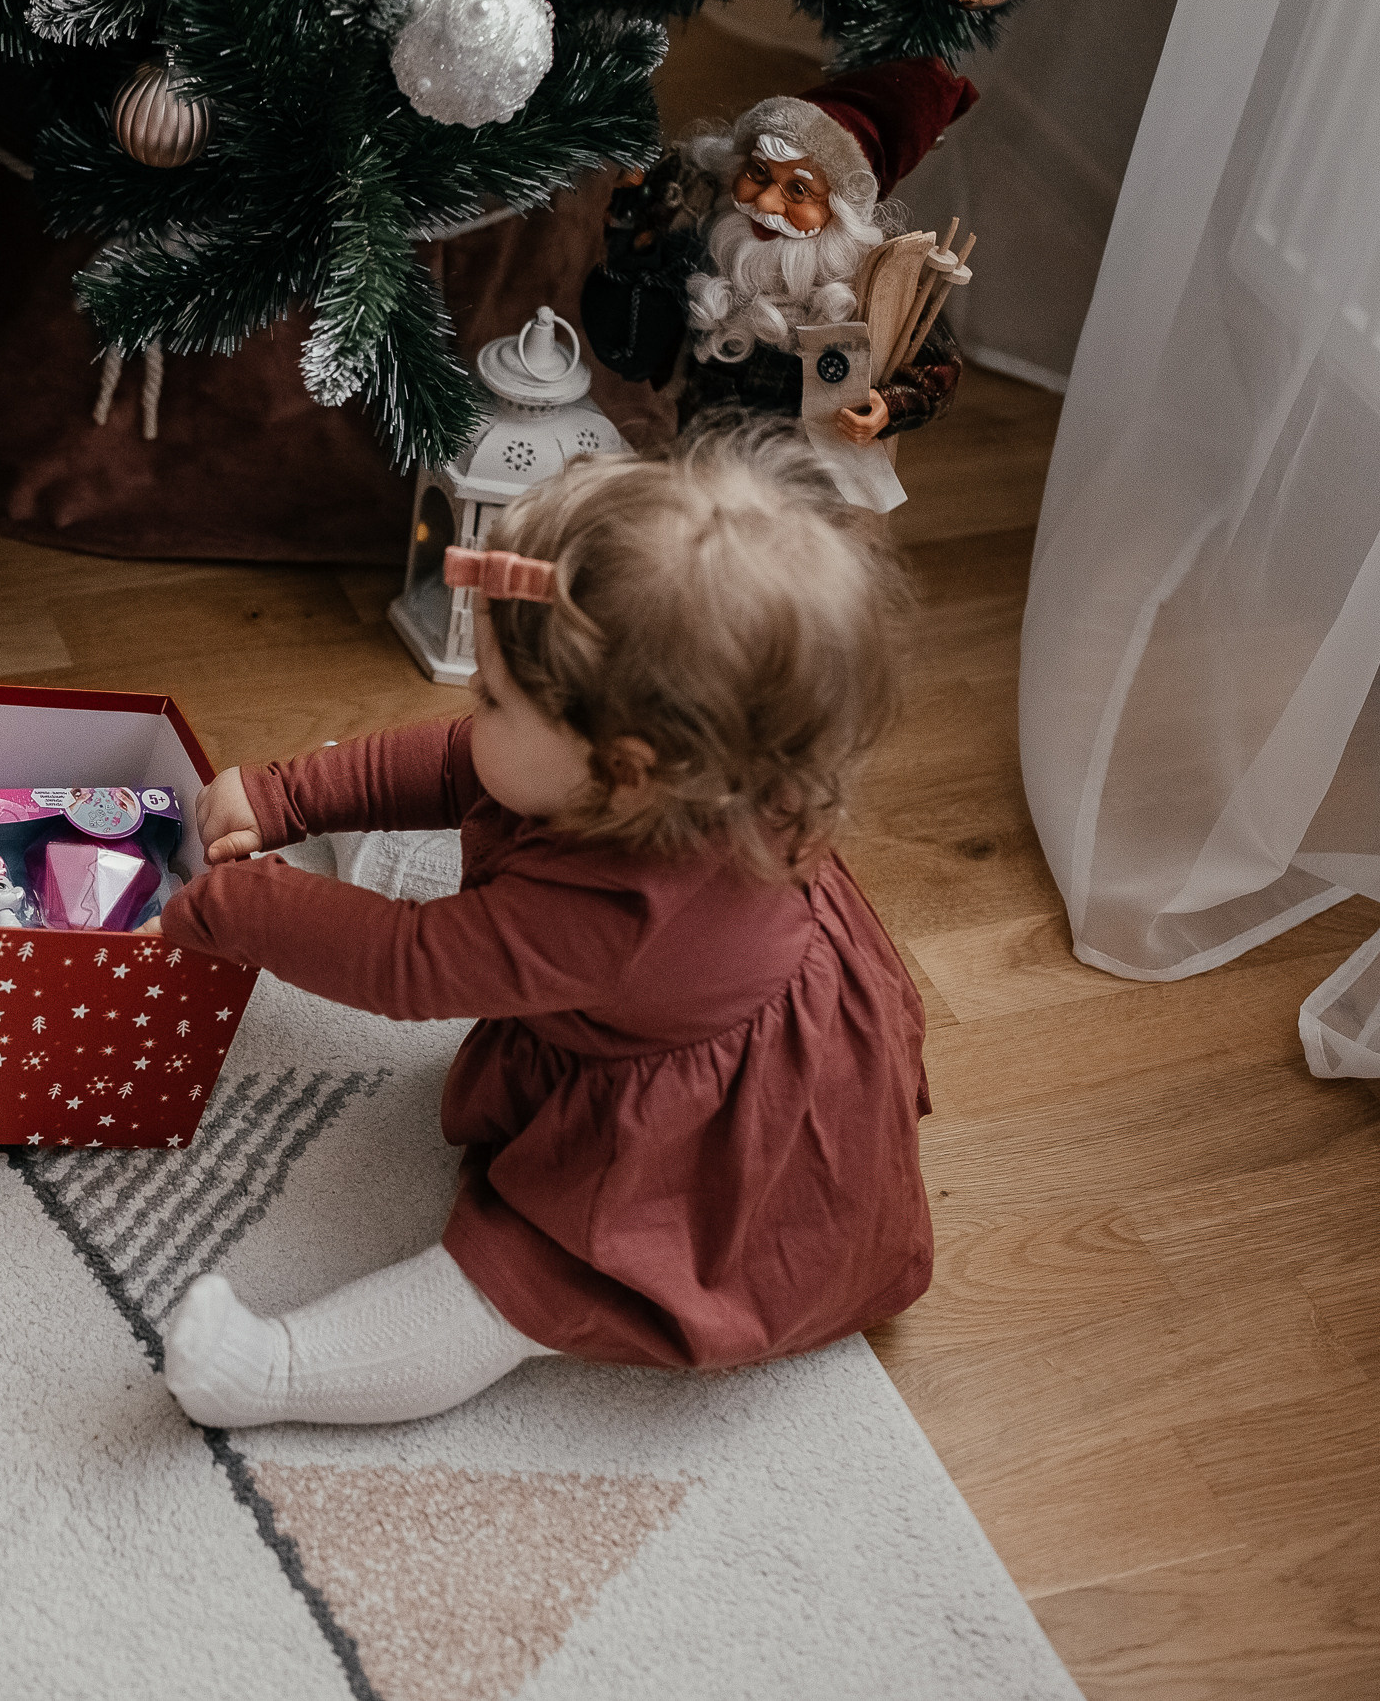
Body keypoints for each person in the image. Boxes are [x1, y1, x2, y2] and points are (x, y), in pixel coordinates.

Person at [148, 428, 933, 1426]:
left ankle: (273, 1374)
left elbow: (408, 964)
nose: (471, 718)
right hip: (647, 1003)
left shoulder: (611, 917)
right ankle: (393, 857)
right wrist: (292, 794)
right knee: (481, 831)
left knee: (512, 1285)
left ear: (629, 769)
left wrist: (233, 906)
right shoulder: (643, 776)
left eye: (494, 699)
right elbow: (450, 765)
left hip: (690, 1153)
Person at [580, 58, 977, 446]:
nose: (767, 203)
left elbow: (938, 364)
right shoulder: (707, 247)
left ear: (841, 212)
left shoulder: (873, 282)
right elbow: (631, 341)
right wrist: (633, 237)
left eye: (798, 191)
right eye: (757, 173)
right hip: (705, 449)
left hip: (808, 468)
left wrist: (890, 405)